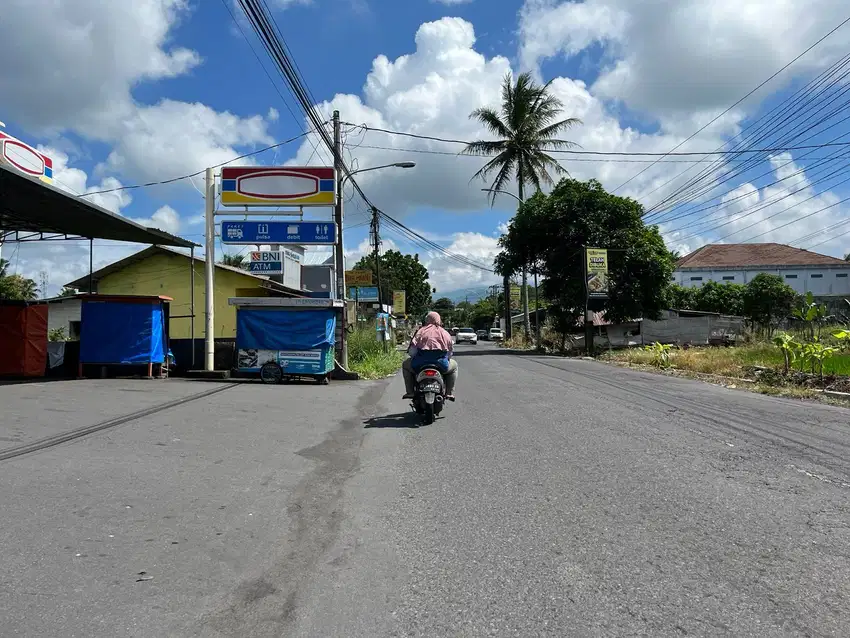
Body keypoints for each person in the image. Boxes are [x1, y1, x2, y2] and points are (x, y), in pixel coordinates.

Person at [402, 310, 457, 399]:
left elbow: (412, 352)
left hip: (419, 364)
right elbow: (450, 353)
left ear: (426, 320)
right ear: (439, 320)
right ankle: (449, 393)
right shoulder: (445, 333)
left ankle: (410, 392)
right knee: (454, 366)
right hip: (441, 365)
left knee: (405, 364)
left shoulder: (420, 332)